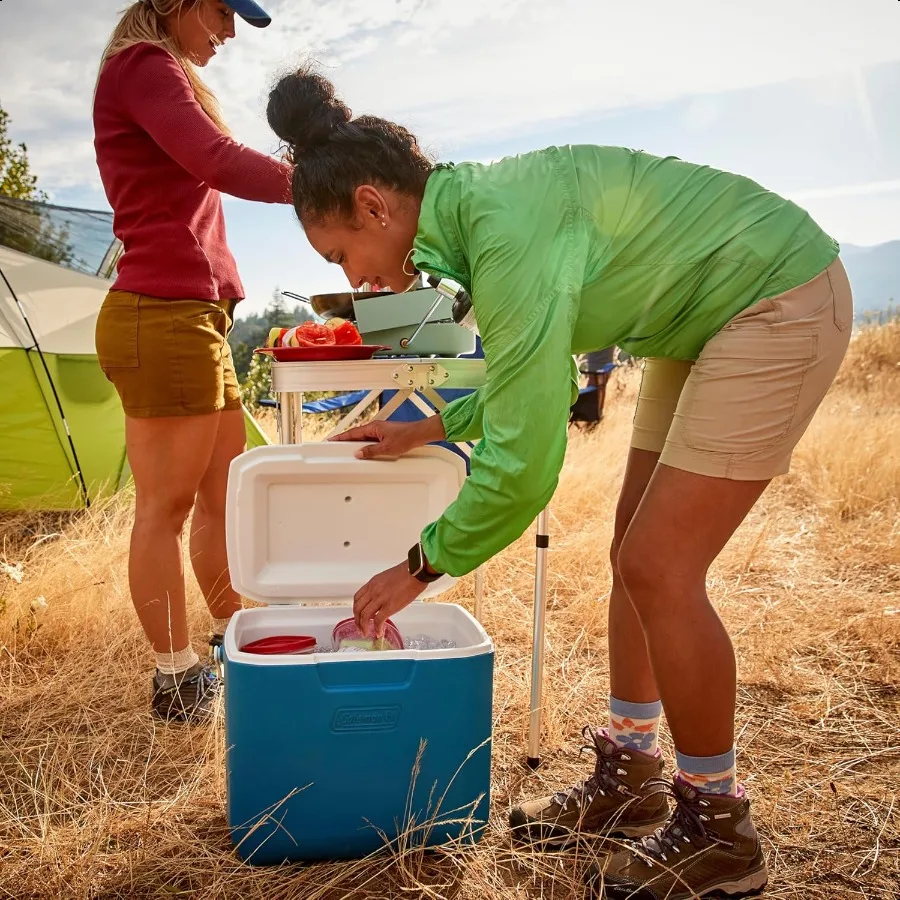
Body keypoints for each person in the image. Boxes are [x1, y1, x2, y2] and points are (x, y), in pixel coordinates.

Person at [265, 68, 852, 899]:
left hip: (772, 295)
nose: (355, 280)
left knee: (660, 565)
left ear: (373, 206)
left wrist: (421, 565)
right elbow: (529, 379)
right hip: (700, 322)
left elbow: (525, 460)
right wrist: (426, 428)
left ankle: (721, 830)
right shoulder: (476, 223)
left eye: (341, 257)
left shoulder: (504, 231)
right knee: (632, 557)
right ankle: (633, 776)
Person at [93, 0, 293, 723]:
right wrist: (321, 181)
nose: (230, 31)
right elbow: (216, 160)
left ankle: (227, 644)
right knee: (165, 510)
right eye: (221, 10)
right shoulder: (143, 66)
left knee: (221, 495)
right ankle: (176, 679)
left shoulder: (161, 71)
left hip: (197, 317)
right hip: (163, 314)